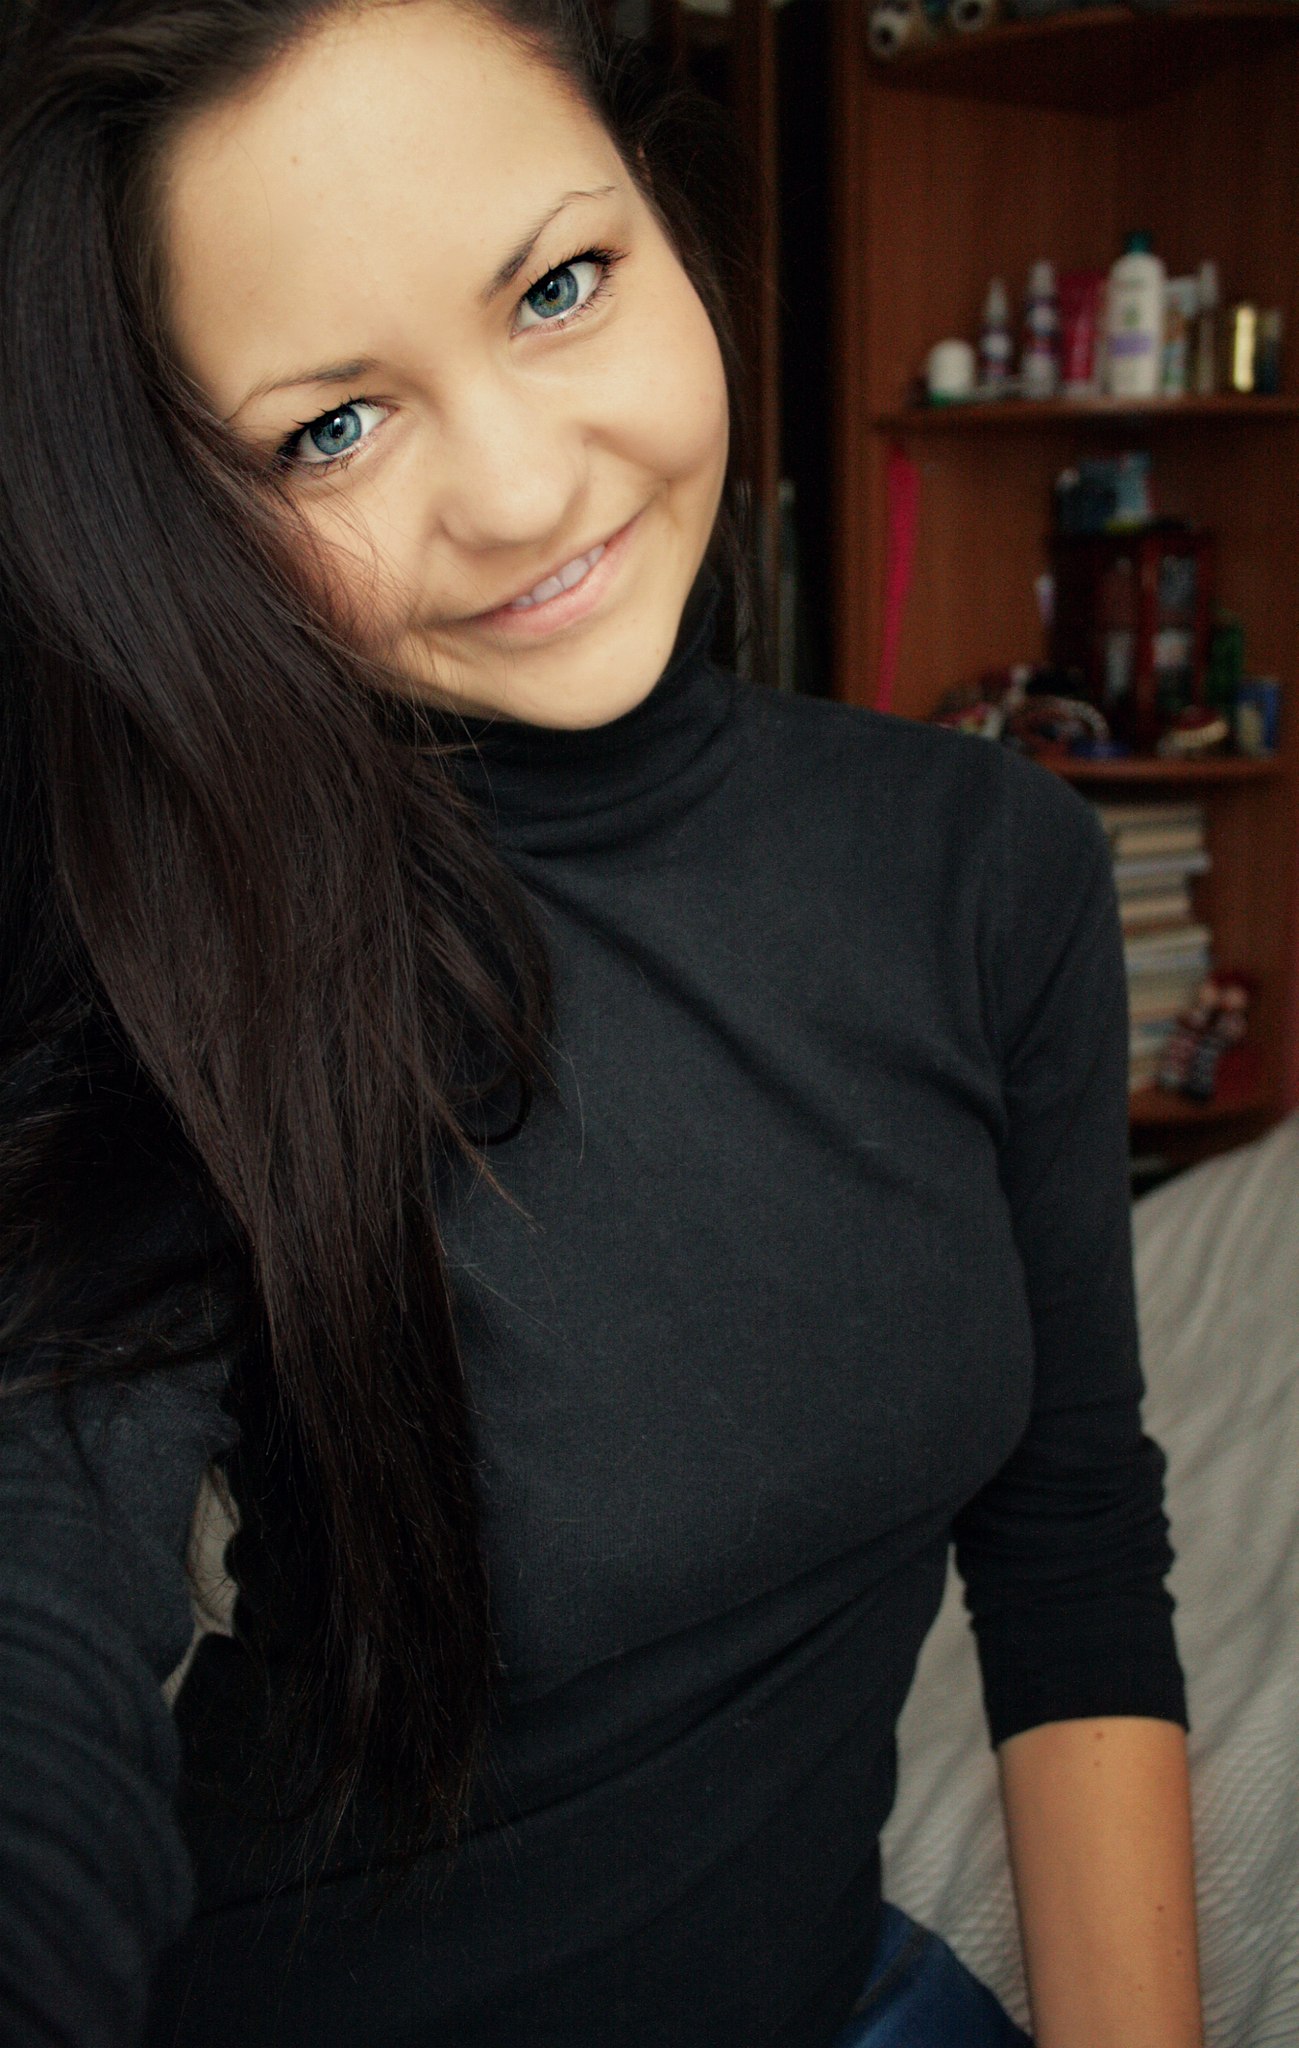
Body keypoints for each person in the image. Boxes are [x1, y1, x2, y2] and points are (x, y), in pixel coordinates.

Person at [0, 2, 1205, 2044]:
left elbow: (1071, 1544)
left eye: (558, 286)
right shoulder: (179, 968)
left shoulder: (990, 868)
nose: (521, 488)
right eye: (332, 427)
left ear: (665, 208)